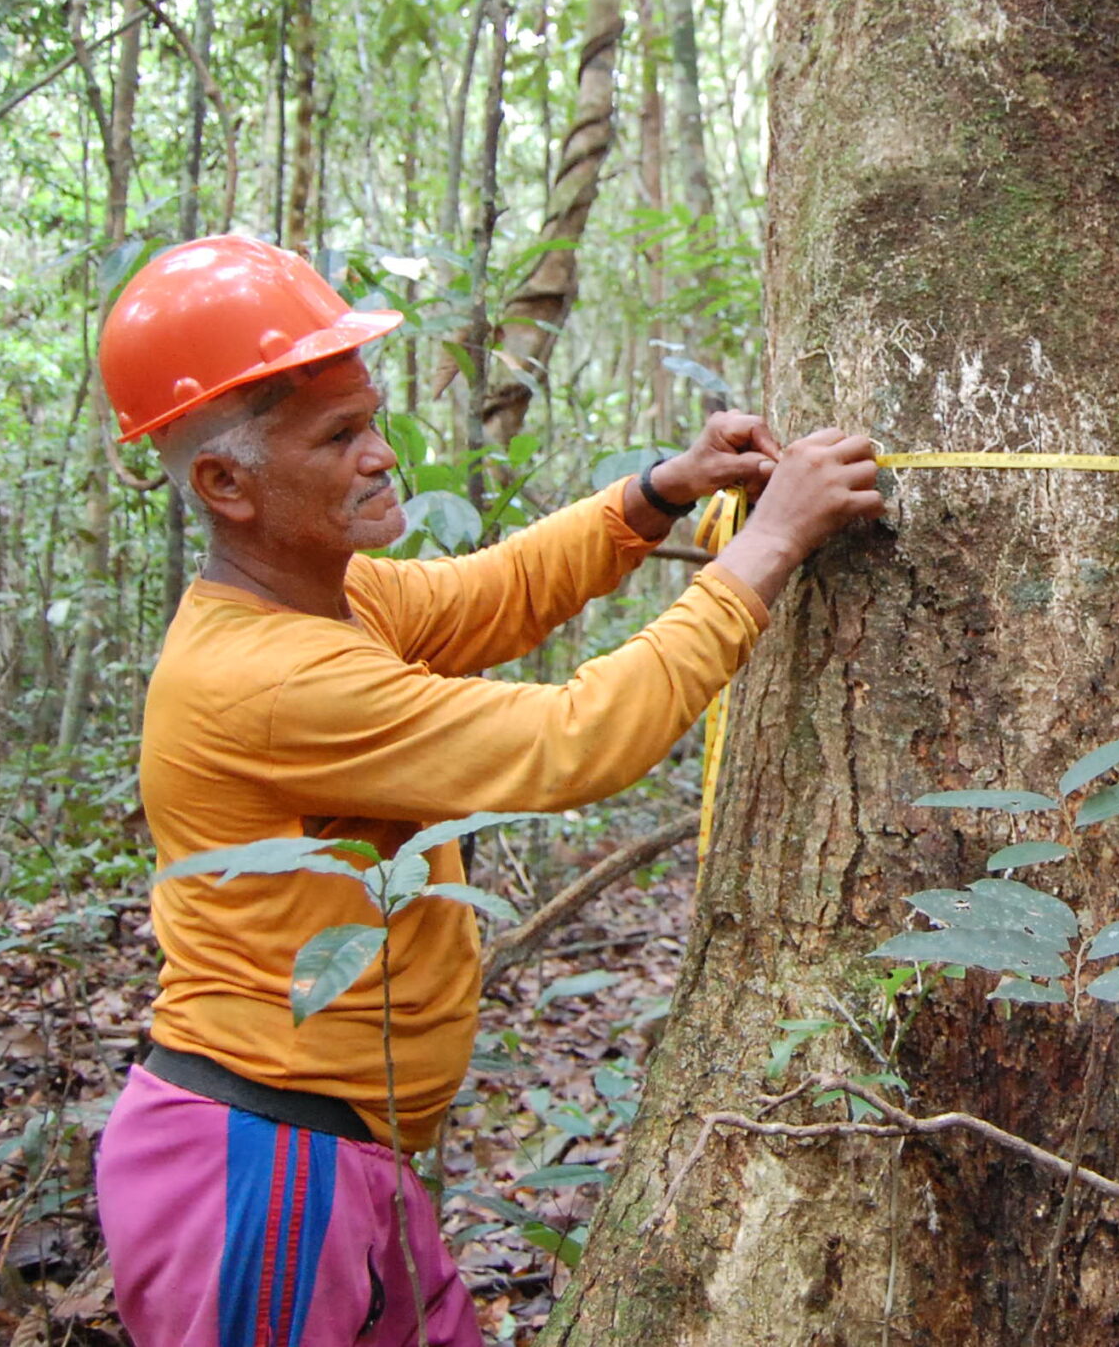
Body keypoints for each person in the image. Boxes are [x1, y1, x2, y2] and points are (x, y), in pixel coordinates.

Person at [89, 234, 883, 1346]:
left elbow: (492, 593)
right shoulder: (262, 677)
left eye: (369, 418)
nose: (379, 456)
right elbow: (575, 739)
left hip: (345, 1155)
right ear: (226, 483)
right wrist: (768, 545)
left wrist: (663, 490)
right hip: (258, 1168)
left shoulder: (331, 598)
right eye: (339, 436)